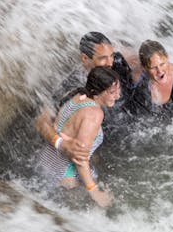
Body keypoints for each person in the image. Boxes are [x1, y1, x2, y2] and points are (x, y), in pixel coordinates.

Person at [35, 31, 135, 165]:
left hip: (131, 126)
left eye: (111, 55)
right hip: (102, 143)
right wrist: (62, 144)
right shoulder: (71, 85)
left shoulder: (117, 62)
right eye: (103, 58)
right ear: (85, 58)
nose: (110, 63)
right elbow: (42, 122)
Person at [36, 66, 121, 207]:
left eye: (118, 90)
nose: (118, 96)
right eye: (112, 92)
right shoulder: (94, 114)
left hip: (45, 163)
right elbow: (79, 158)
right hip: (65, 178)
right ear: (98, 92)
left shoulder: (77, 96)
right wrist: (94, 191)